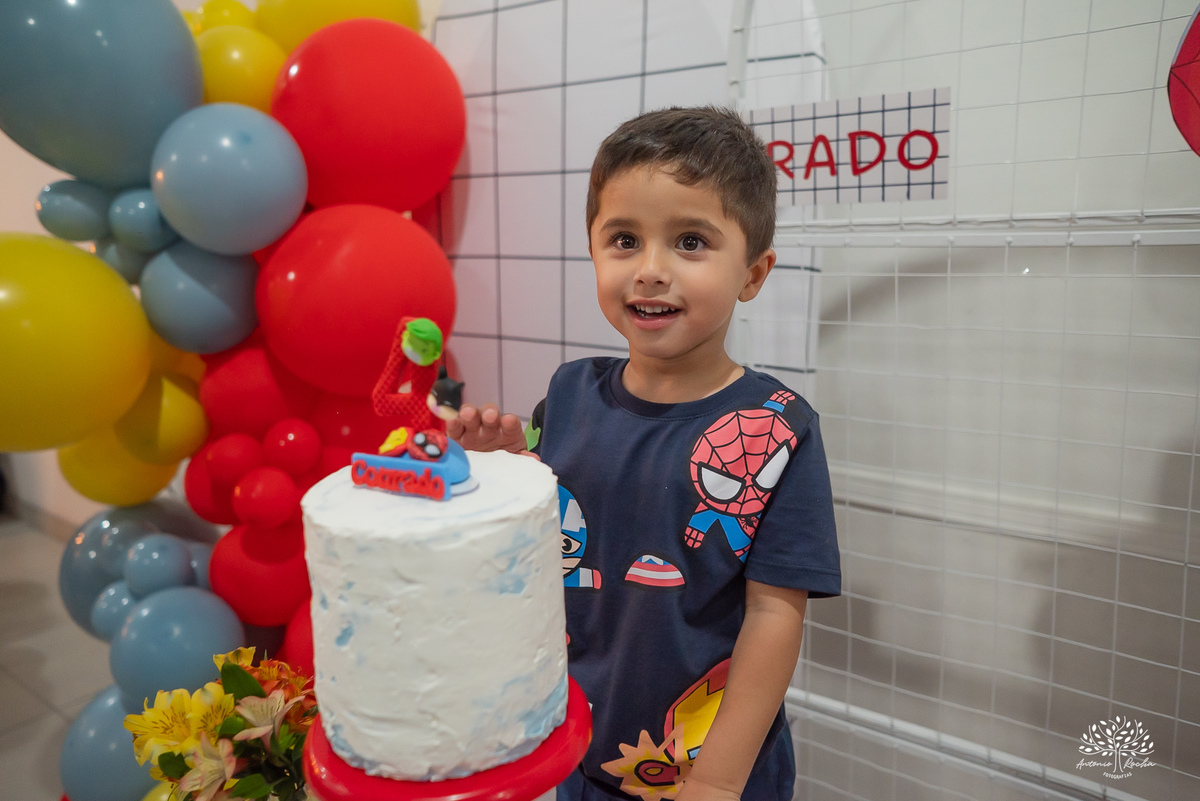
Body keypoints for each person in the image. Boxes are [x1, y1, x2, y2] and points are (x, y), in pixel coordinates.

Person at [448, 106, 841, 801]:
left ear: (752, 273)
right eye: (624, 240)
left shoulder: (779, 429)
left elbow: (775, 616)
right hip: (573, 747)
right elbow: (541, 549)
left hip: (709, 770)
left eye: (691, 241)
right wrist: (502, 474)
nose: (651, 270)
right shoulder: (568, 394)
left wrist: (718, 779)